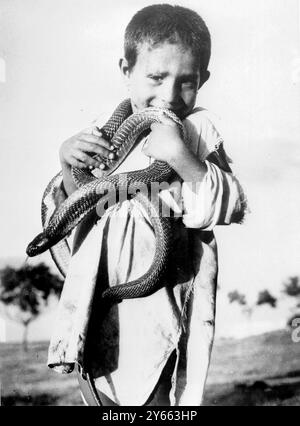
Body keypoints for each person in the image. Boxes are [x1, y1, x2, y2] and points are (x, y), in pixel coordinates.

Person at [47, 4, 248, 406]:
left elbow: (230, 205)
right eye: (156, 77)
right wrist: (67, 160)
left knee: (155, 393)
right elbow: (83, 206)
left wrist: (179, 156)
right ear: (126, 71)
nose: (170, 95)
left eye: (186, 81)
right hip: (102, 293)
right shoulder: (105, 127)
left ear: (203, 80)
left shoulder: (199, 129)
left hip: (163, 294)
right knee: (104, 391)